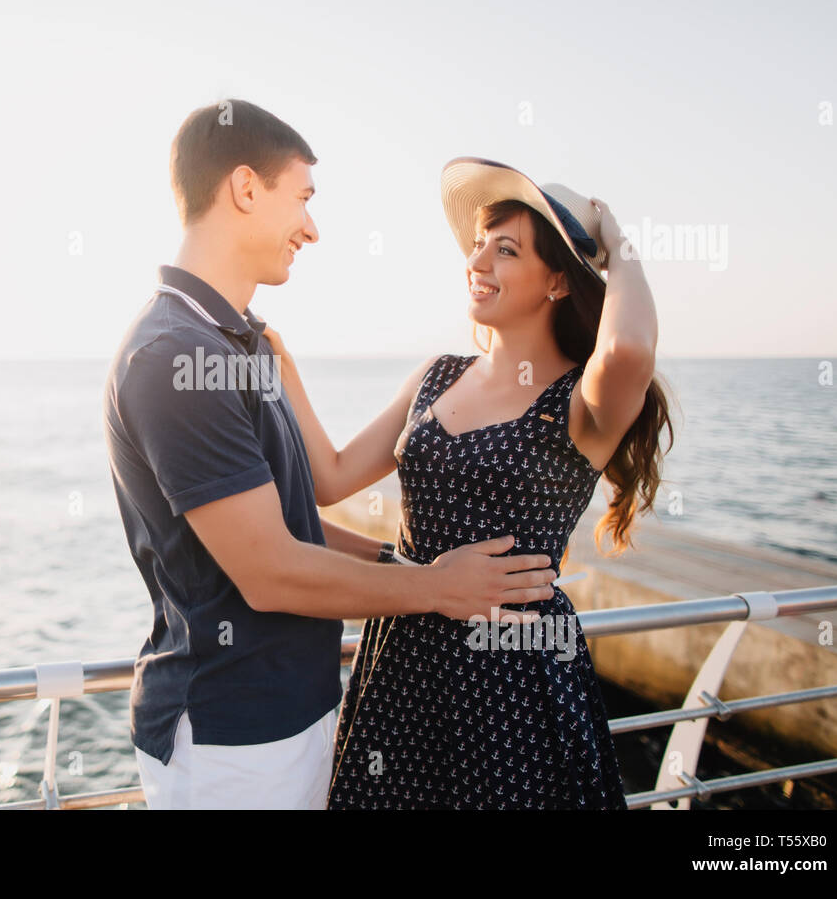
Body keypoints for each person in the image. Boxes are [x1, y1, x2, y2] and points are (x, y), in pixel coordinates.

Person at [103, 108, 561, 809]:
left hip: (300, 709)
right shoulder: (175, 353)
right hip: (235, 738)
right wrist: (439, 588)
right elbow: (270, 573)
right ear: (246, 188)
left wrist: (397, 566)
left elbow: (291, 523)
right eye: (304, 198)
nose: (311, 228)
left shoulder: (241, 342)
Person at [266, 157, 672, 809]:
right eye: (479, 243)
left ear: (559, 283)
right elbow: (329, 475)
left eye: (505, 249)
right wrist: (281, 366)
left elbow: (628, 349)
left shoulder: (581, 401)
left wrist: (616, 240)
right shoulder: (438, 375)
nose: (477, 260)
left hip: (512, 676)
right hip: (404, 655)